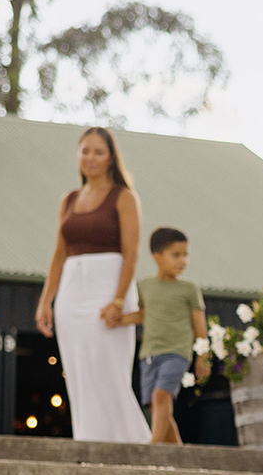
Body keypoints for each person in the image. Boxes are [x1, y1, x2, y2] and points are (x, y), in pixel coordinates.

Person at [33, 127, 149, 443]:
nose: (91, 158)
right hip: (72, 291)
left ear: (111, 158)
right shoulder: (68, 200)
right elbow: (58, 254)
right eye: (85, 151)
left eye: (99, 152)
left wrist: (117, 300)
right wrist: (46, 300)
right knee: (78, 371)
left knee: (108, 370)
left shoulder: (124, 198)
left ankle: (133, 444)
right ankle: (87, 442)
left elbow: (132, 253)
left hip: (109, 287)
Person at [125, 227, 210, 445]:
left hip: (176, 353)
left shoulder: (189, 289)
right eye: (176, 255)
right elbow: (143, 314)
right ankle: (178, 454)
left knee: (161, 396)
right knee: (157, 407)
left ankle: (154, 447)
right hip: (148, 355)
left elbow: (200, 327)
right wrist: (118, 318)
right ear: (157, 257)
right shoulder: (144, 286)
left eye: (186, 255)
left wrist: (203, 357)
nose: (183, 260)